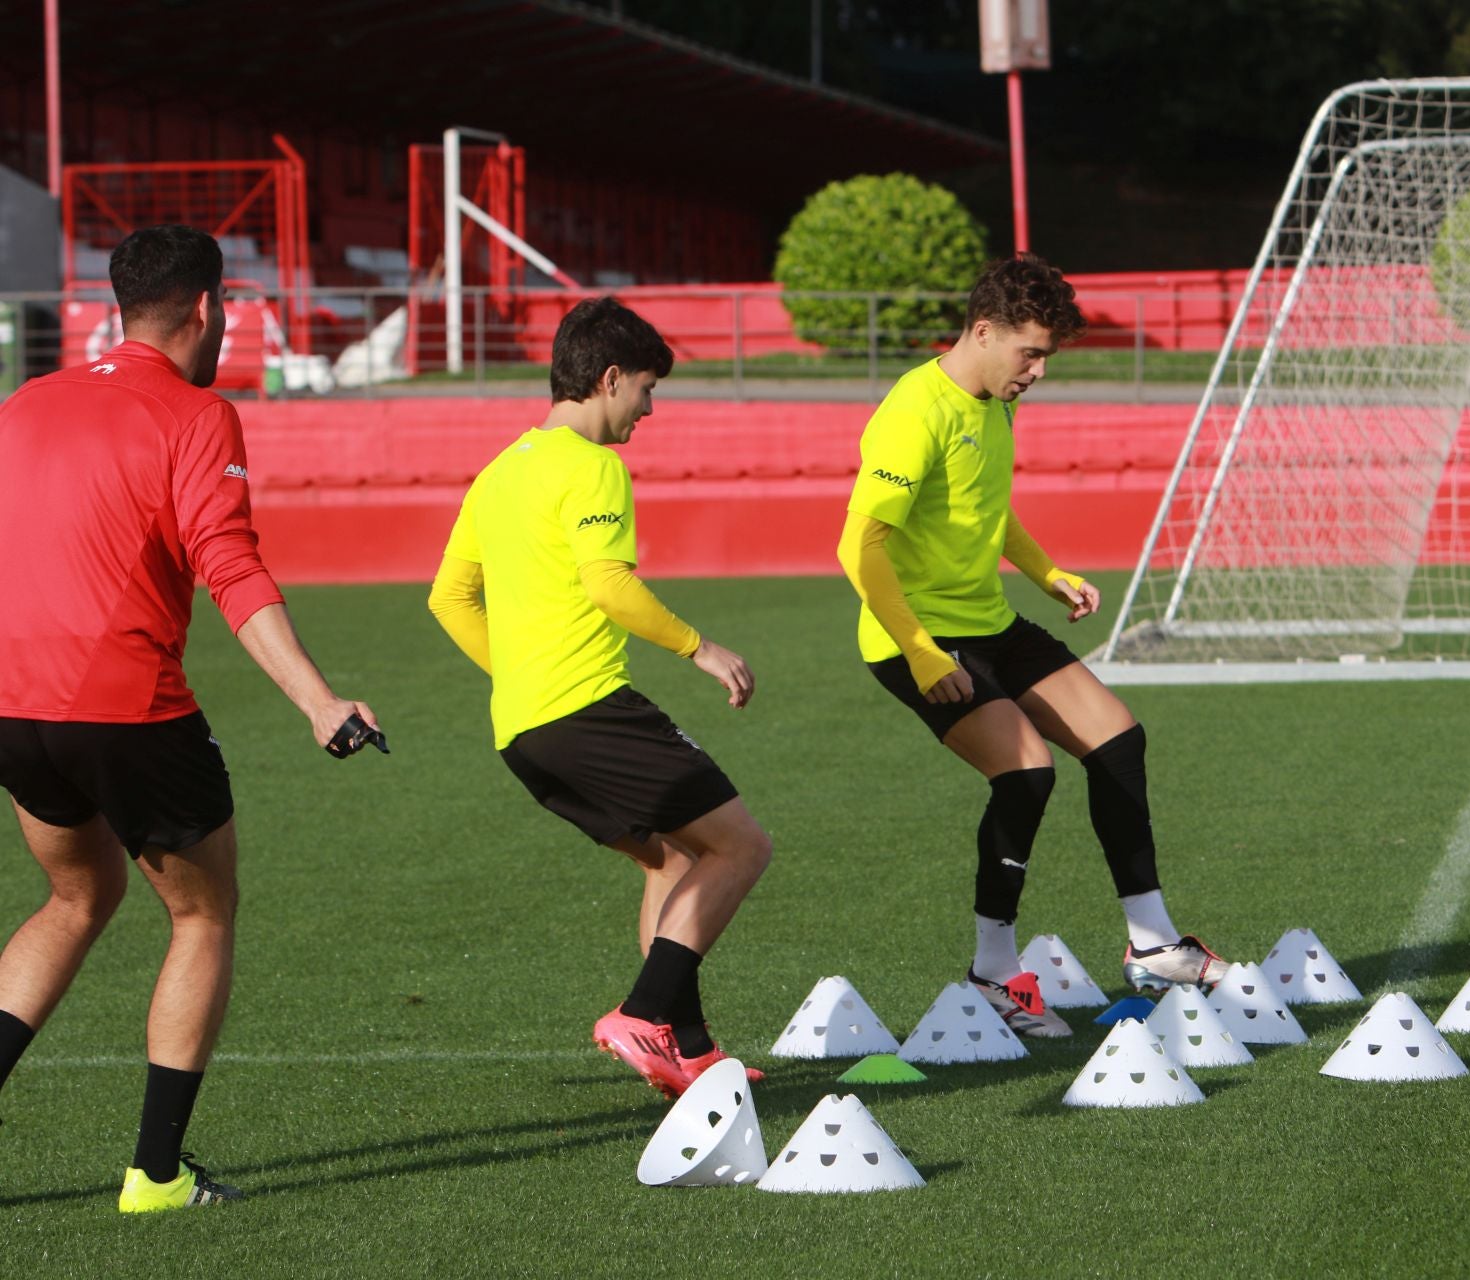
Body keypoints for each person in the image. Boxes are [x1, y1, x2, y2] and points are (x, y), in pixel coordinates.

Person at [0, 225, 383, 1213]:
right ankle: (157, 1174)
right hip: (124, 704)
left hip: (12, 703)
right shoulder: (198, 412)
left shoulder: (25, 401)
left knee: (74, 898)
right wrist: (318, 699)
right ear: (209, 308)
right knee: (202, 909)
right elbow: (233, 568)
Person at [836, 253, 1230, 1038]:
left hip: (989, 622)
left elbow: (988, 507)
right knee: (1026, 774)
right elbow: (860, 547)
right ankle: (991, 973)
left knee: (1118, 740)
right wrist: (919, 651)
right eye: (1032, 353)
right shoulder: (915, 412)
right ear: (983, 332)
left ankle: (1153, 946)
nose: (1039, 371)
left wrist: (1045, 572)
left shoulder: (994, 398)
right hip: (915, 639)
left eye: (1047, 355)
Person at [428, 296, 771, 1100]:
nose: (649, 410)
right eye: (646, 390)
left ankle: (687, 1050)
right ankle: (644, 1012)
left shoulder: (502, 469)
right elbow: (610, 585)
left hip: (524, 729)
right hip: (588, 709)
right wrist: (701, 647)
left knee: (672, 855)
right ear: (610, 378)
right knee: (741, 847)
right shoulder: (594, 467)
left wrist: (519, 674)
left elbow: (448, 598)